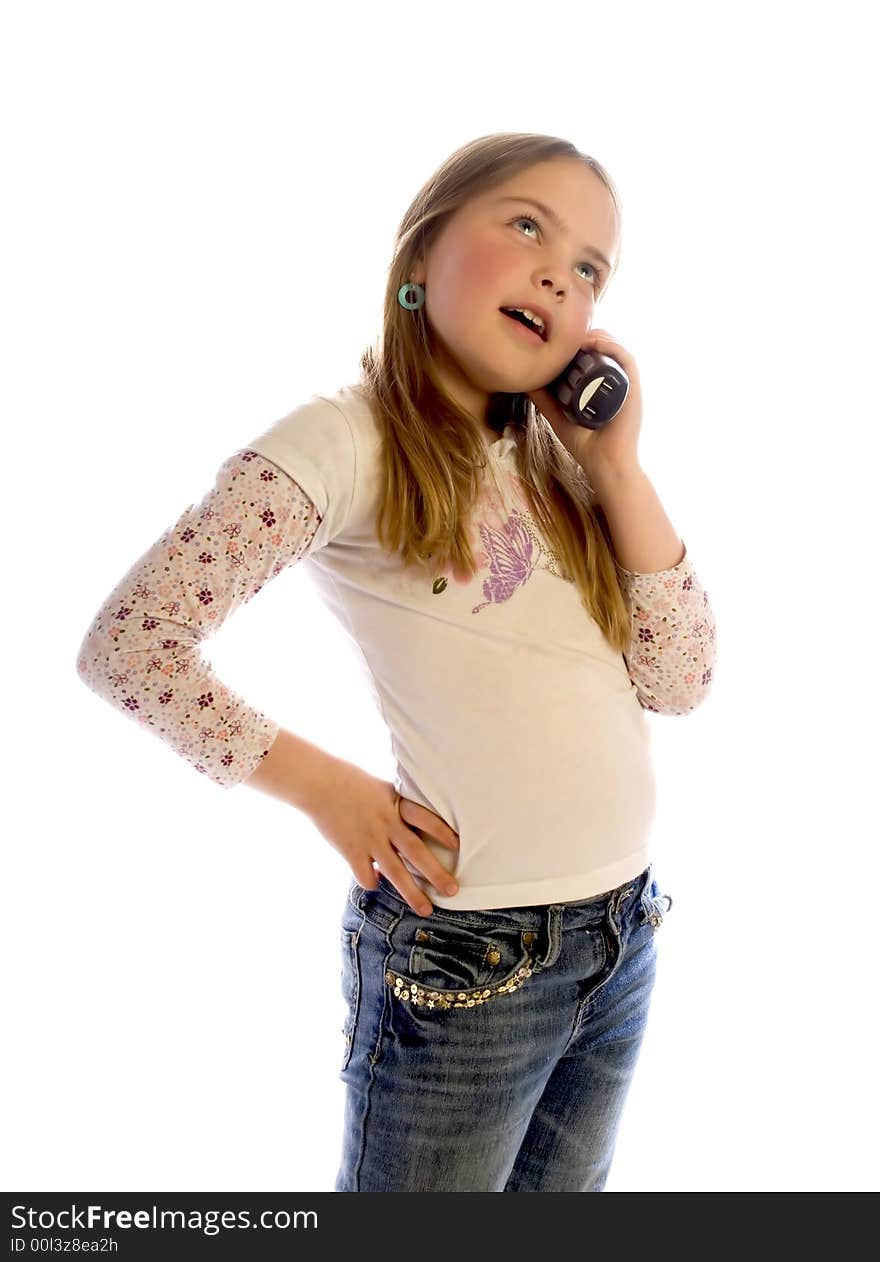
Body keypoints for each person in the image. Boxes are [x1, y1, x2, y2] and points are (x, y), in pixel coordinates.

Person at [76, 131, 716, 1192]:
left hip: (621, 933)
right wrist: (327, 790)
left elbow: (683, 677)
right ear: (419, 258)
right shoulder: (345, 441)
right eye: (526, 226)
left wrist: (615, 462)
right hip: (470, 962)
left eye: (591, 267)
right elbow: (131, 644)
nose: (561, 270)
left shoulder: (559, 458)